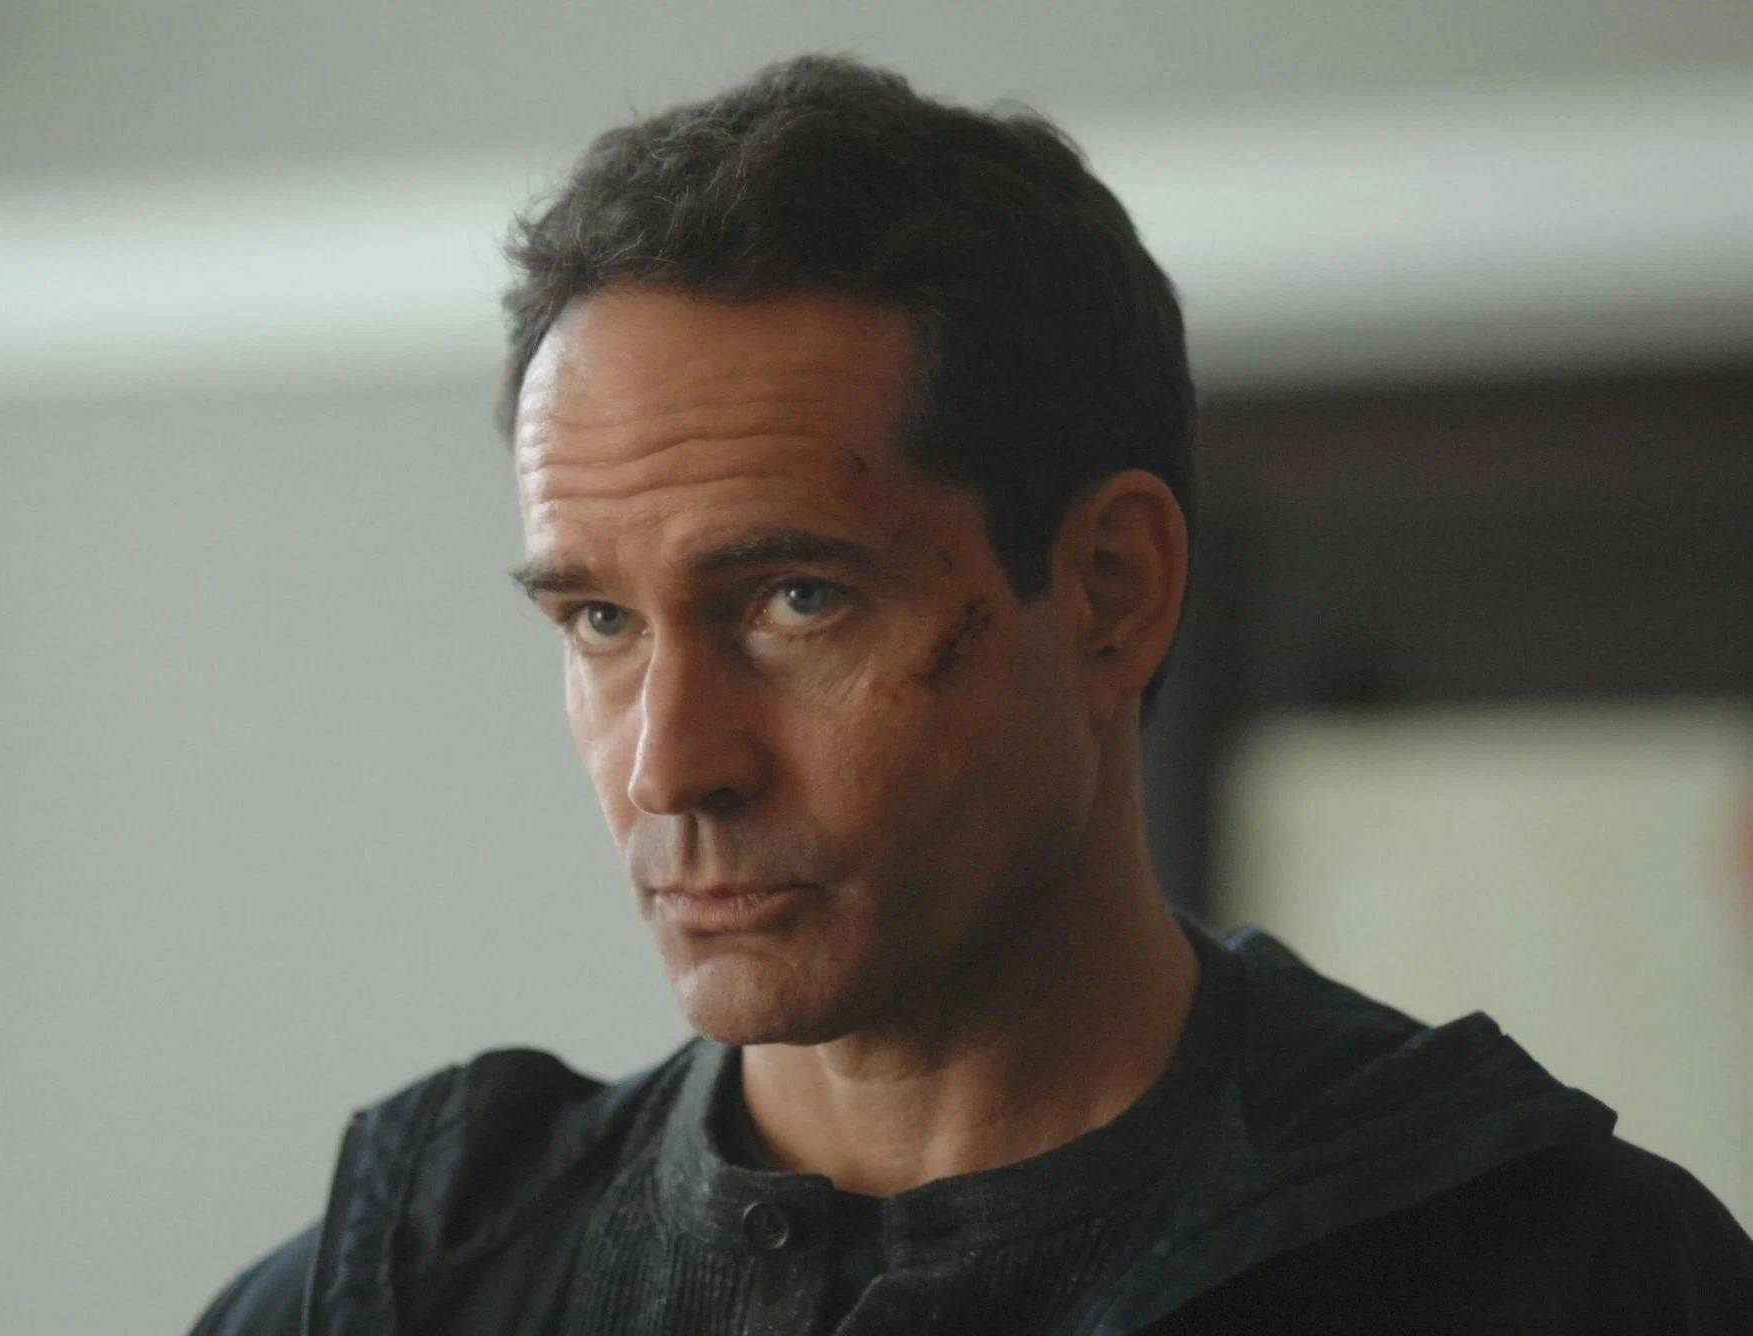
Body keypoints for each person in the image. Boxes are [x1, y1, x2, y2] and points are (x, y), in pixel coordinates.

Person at [189, 56, 1753, 1335]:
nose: (668, 768)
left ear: (1111, 591)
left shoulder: (1572, 1282)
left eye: (795, 600)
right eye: (598, 619)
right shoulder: (392, 1296)